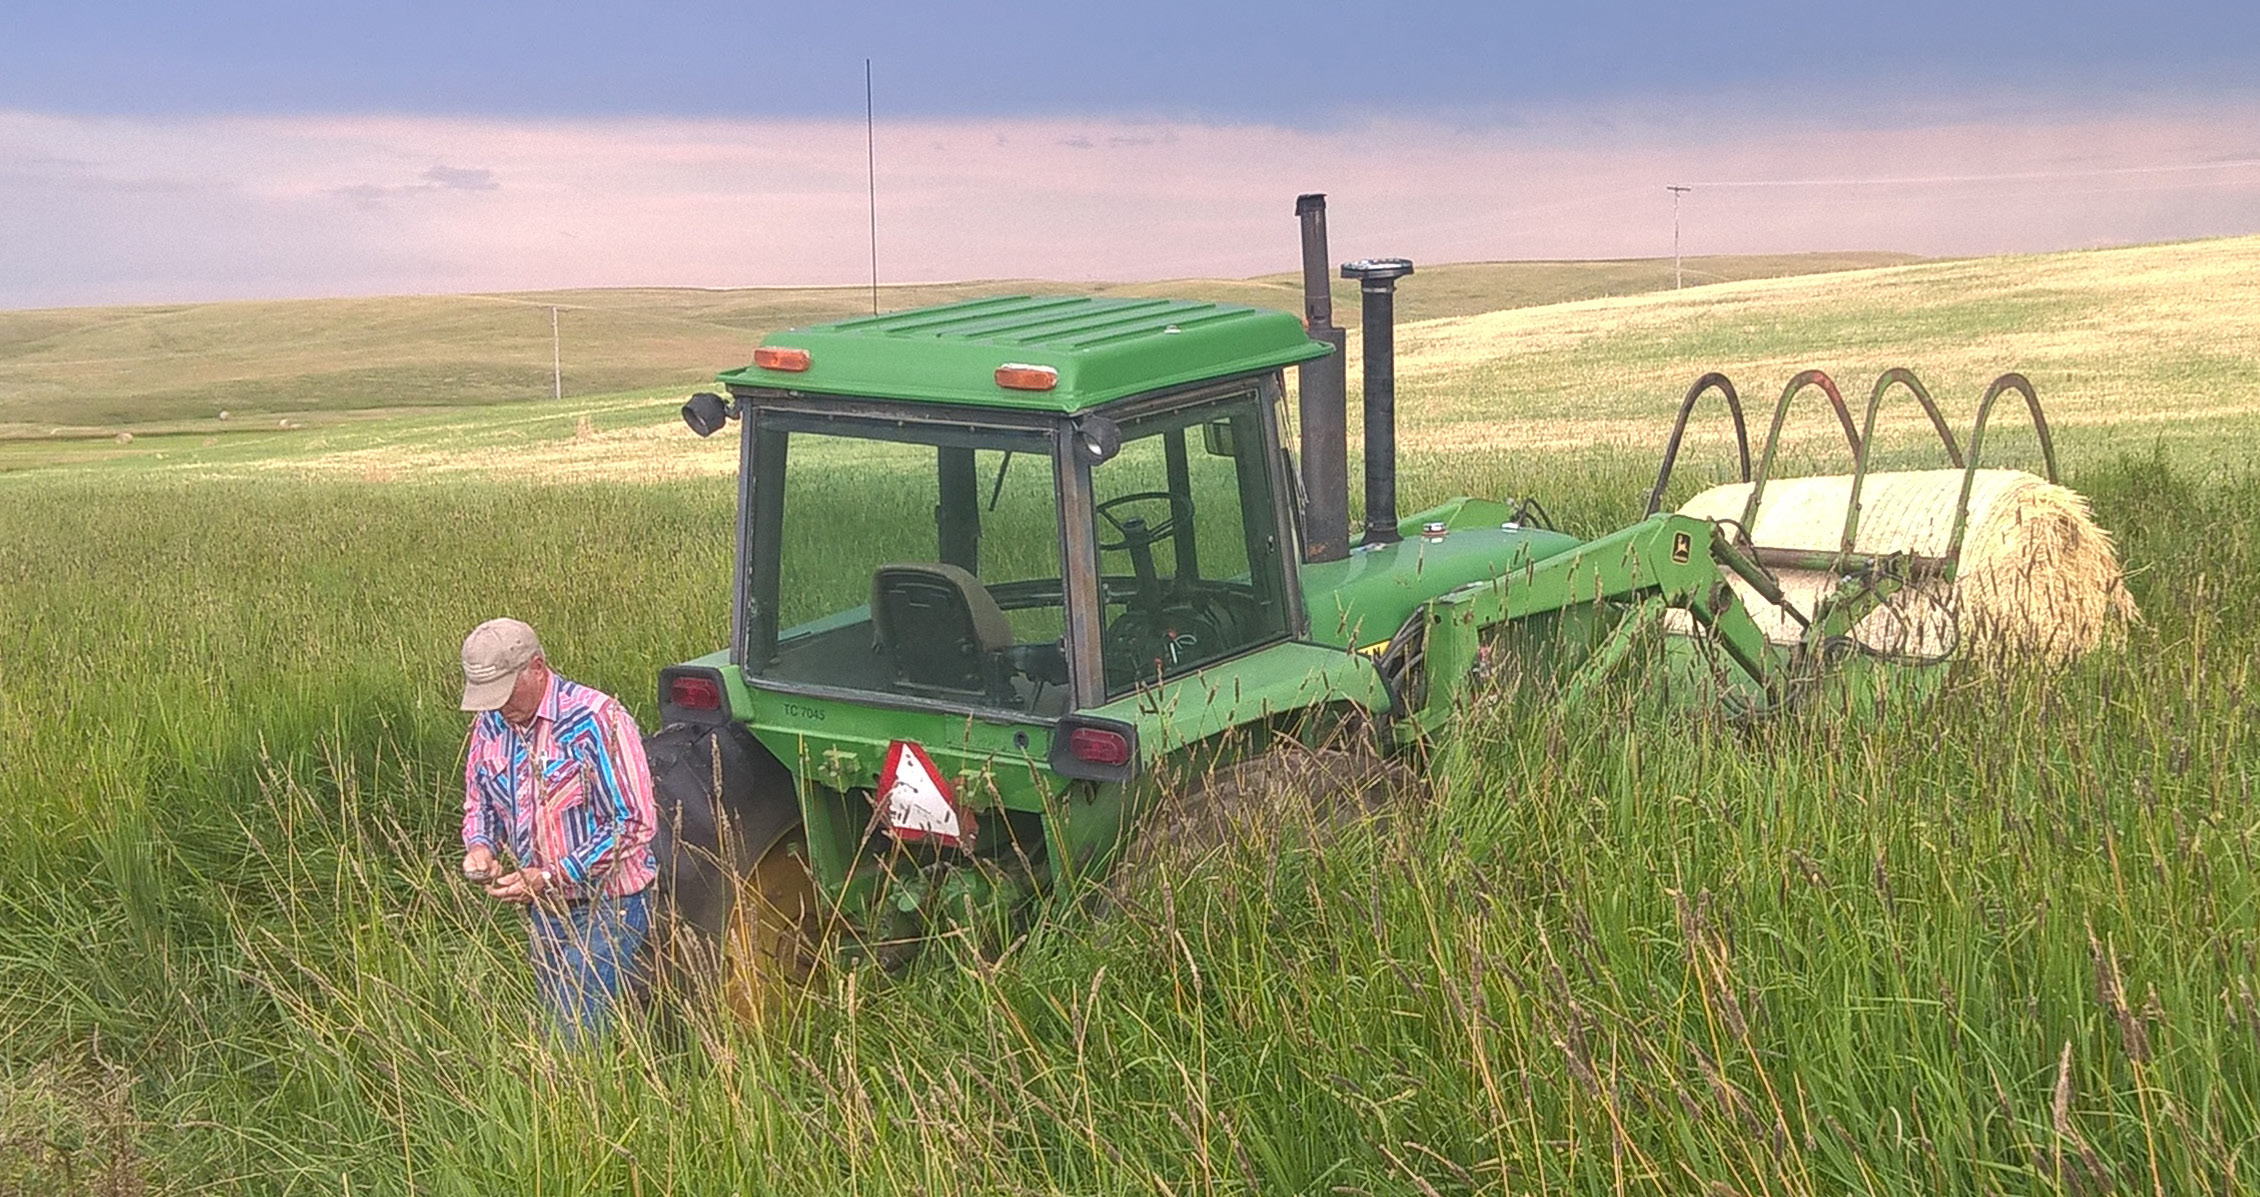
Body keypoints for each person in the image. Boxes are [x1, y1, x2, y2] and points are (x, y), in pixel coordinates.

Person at [458, 617, 657, 1041]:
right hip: (544, 904)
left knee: (573, 1030)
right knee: (556, 1017)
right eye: (487, 697)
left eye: (507, 691)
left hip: (610, 900)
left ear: (538, 667)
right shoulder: (489, 724)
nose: (498, 706)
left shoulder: (599, 719)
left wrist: (552, 874)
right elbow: (480, 800)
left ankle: (579, 1100)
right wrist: (480, 846)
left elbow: (635, 822)